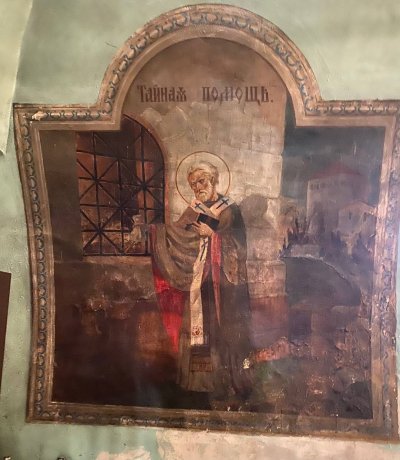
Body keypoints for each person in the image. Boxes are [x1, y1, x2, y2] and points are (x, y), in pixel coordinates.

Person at [150, 161, 252, 401]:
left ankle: (226, 380)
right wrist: (153, 232)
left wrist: (214, 236)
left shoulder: (230, 210)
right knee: (199, 328)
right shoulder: (193, 209)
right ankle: (199, 382)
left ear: (213, 180)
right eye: (193, 184)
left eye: (202, 181)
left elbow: (240, 247)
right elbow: (176, 234)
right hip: (199, 280)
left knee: (224, 329)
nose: (197, 187)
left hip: (224, 285)